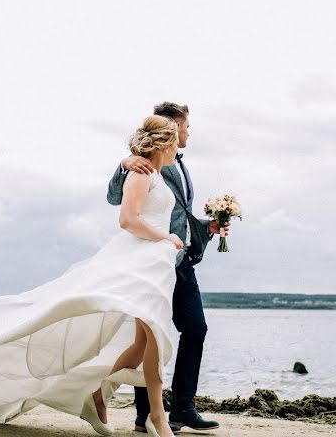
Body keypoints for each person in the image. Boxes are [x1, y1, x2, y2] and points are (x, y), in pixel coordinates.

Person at [0, 115, 187, 437]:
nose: (179, 149)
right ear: (164, 143)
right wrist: (165, 238)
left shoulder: (155, 173)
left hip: (154, 263)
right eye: (176, 142)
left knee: (144, 341)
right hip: (137, 262)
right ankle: (157, 417)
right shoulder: (140, 174)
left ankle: (98, 393)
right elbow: (127, 220)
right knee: (152, 336)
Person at [107, 102, 226, 433]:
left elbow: (180, 217)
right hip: (154, 261)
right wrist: (123, 163)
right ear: (171, 128)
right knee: (149, 339)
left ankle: (183, 407)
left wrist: (209, 227)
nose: (189, 132)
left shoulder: (178, 163)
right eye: (186, 126)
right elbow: (117, 201)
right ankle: (144, 414)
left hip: (181, 260)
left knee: (195, 329)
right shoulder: (143, 165)